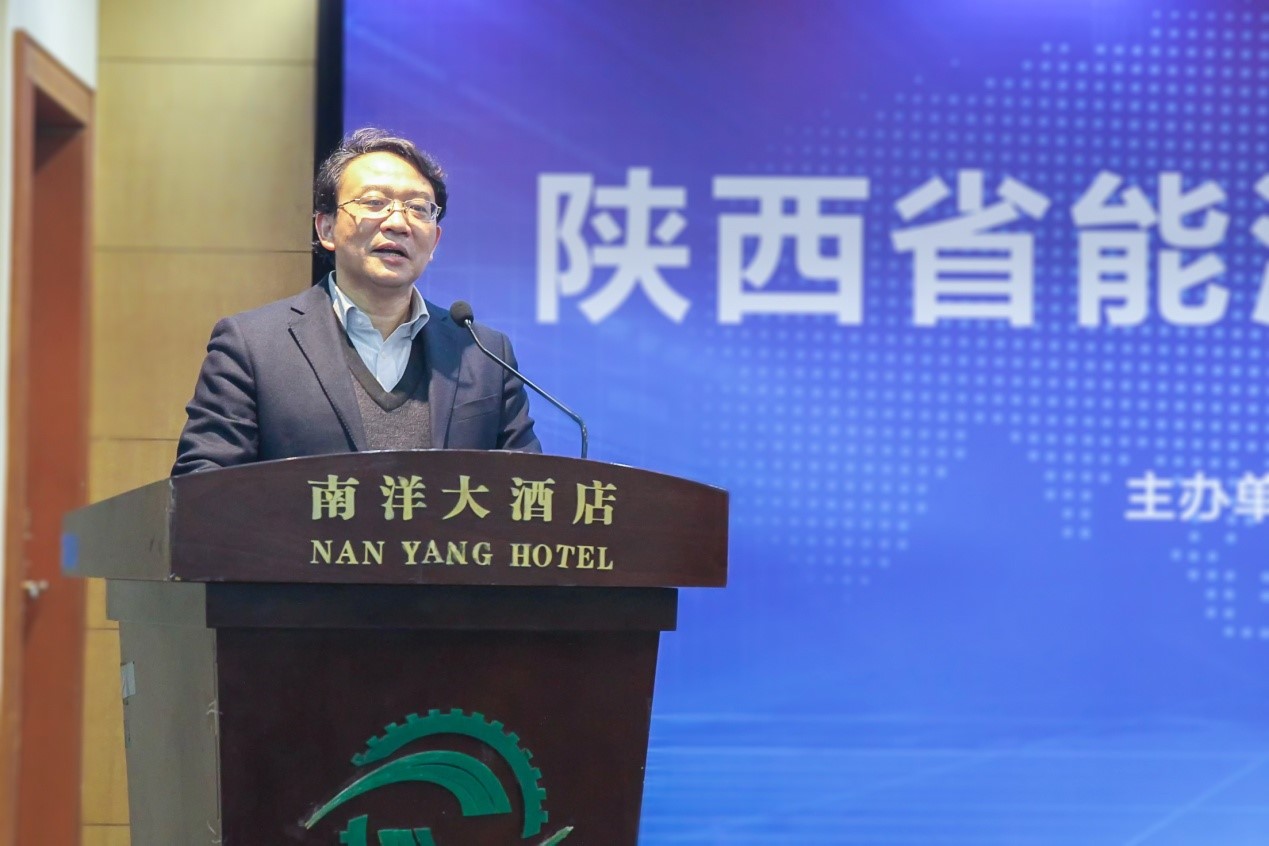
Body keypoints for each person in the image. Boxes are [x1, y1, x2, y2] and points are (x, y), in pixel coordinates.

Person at [171, 128, 540, 476]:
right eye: (375, 202)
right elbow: (203, 488)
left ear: (435, 241)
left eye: (418, 208)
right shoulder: (253, 347)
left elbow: (531, 492)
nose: (398, 223)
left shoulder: (483, 355)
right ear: (326, 228)